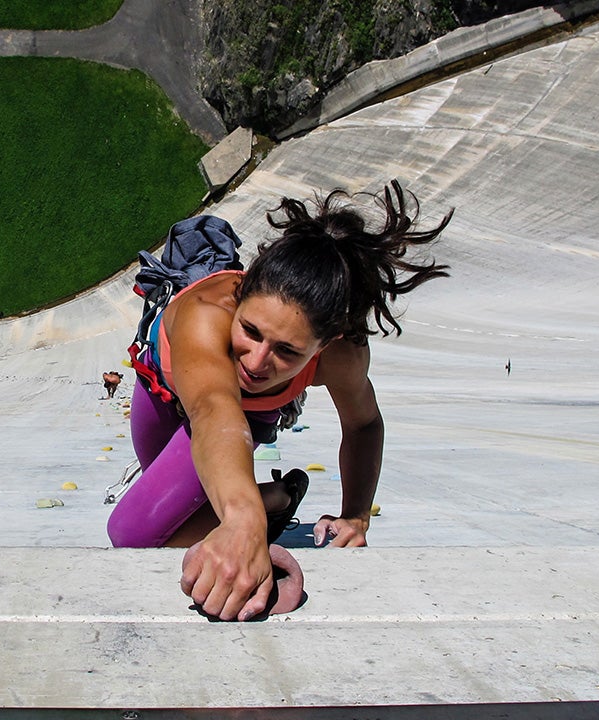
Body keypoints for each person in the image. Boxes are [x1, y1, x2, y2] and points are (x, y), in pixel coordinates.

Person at [107, 180, 452, 621]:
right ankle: (274, 499)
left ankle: (264, 509)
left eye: (288, 352)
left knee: (134, 532)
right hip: (165, 389)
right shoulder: (205, 313)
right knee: (173, 513)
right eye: (250, 330)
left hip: (245, 415)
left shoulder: (343, 356)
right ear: (241, 295)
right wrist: (245, 521)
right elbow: (212, 408)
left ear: (327, 343)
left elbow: (364, 423)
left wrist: (356, 516)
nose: (256, 362)